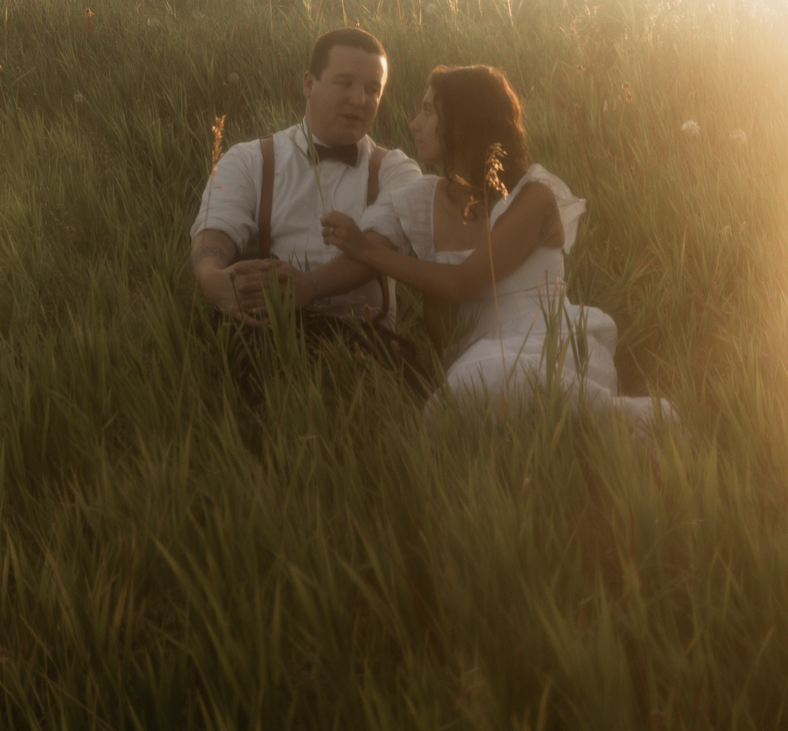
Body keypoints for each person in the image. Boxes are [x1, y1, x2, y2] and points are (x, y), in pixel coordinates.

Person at [320, 64, 677, 431]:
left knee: (501, 379)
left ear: (463, 123)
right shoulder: (421, 199)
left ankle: (641, 432)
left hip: (545, 341)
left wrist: (367, 251)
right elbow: (432, 306)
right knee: (470, 399)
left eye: (428, 111)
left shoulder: (533, 196)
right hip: (471, 359)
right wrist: (304, 283)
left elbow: (461, 283)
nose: (414, 123)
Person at [189, 27, 425, 366]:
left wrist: (308, 286)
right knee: (247, 265)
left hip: (365, 337)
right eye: (345, 83)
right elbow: (216, 228)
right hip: (269, 329)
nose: (359, 100)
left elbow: (380, 244)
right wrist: (211, 278)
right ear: (309, 84)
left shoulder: (396, 171)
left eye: (373, 89)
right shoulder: (248, 159)